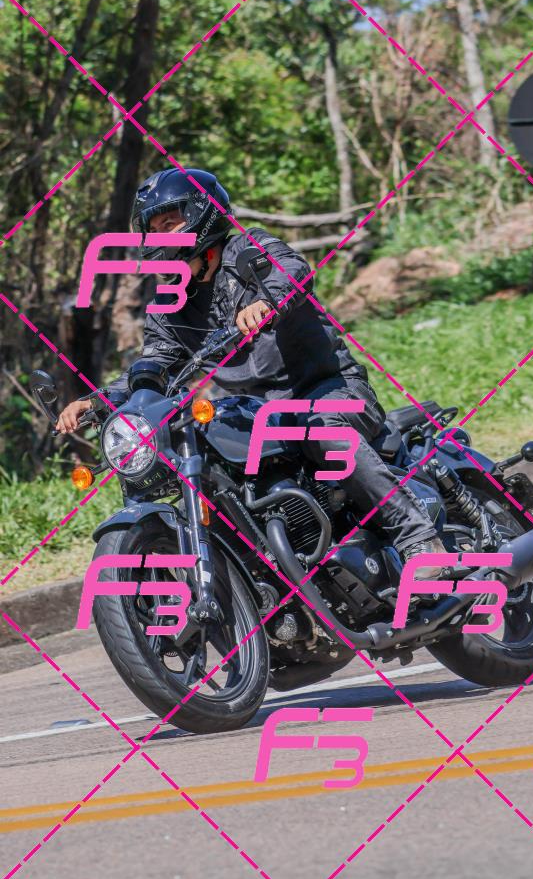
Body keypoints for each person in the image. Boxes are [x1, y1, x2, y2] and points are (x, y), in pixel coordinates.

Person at [57, 167, 445, 575]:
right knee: (211, 459)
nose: (161, 237)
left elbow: (293, 271)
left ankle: (417, 536)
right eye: (153, 230)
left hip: (328, 389)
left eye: (170, 223)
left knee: (320, 429)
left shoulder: (249, 251)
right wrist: (97, 402)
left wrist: (266, 301)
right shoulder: (170, 303)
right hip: (254, 413)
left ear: (202, 212)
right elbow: (153, 364)